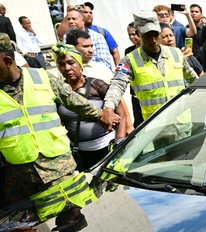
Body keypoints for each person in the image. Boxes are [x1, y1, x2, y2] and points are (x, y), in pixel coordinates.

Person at [0, 33, 118, 207]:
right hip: (23, 176)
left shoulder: (41, 78)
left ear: (8, 61)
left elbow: (76, 103)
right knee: (41, 219)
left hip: (59, 169)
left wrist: (104, 115)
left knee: (73, 210)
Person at [101, 11, 198, 123]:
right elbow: (117, 84)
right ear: (138, 34)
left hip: (182, 123)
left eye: (155, 34)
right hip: (155, 126)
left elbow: (193, 79)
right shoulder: (130, 60)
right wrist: (108, 107)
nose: (153, 40)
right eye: (147, 36)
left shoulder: (176, 53)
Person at [52, 44, 127, 171]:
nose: (67, 68)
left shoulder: (97, 85)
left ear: (80, 64)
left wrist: (119, 142)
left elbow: (122, 114)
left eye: (71, 63)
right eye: (61, 65)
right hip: (79, 153)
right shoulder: (59, 92)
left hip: (107, 148)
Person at [62, 7, 113, 71]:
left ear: (83, 20)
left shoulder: (97, 37)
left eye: (74, 19)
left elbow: (105, 64)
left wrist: (85, 70)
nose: (71, 21)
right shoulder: (66, 37)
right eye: (68, 19)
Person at [81, 2, 121, 66]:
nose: (89, 14)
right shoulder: (73, 32)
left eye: (91, 13)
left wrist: (119, 70)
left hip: (103, 70)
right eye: (85, 12)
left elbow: (115, 53)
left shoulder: (102, 32)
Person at [123, 22, 144, 127]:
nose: (132, 37)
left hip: (148, 91)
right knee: (138, 121)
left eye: (134, 34)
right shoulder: (128, 51)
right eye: (130, 34)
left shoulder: (148, 50)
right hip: (135, 92)